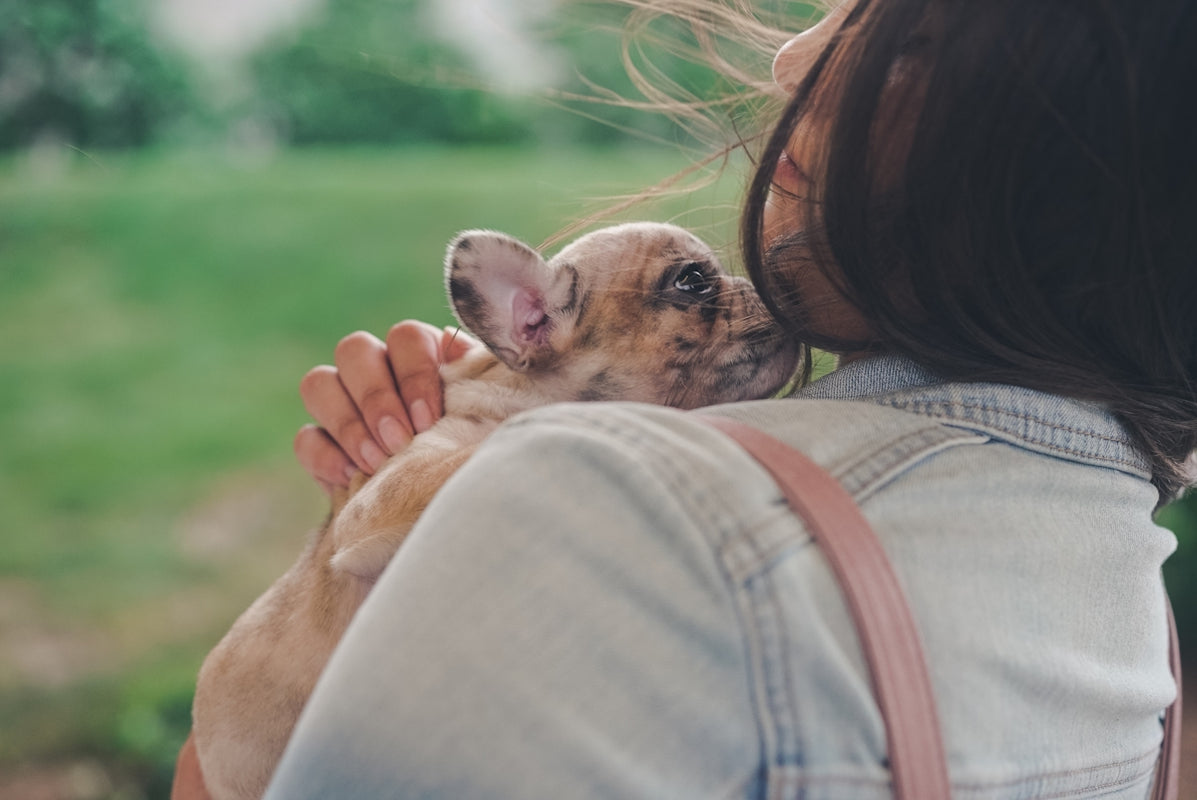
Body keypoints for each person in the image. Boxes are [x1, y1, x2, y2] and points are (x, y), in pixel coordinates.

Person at [176, 0, 1194, 797]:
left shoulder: (616, 512)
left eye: (908, 37)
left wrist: (501, 479)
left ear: (1069, 151)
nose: (793, 58)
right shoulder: (1130, 579)